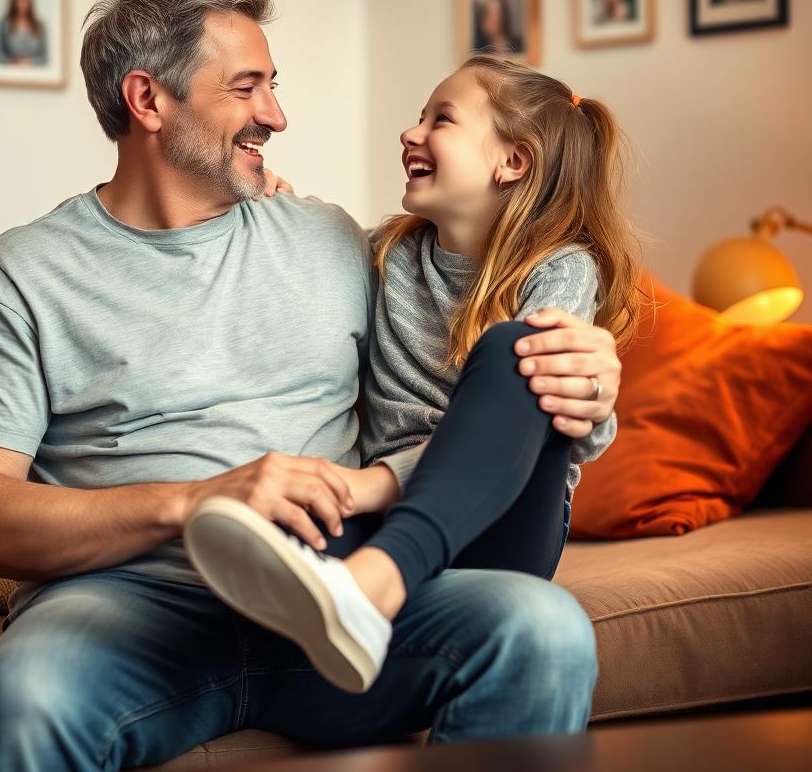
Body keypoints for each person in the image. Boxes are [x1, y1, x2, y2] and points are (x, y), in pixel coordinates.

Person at [0, 0, 622, 770]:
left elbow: (464, 353)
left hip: (334, 598)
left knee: (541, 627)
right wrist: (195, 501)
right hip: (128, 608)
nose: (277, 117)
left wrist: (583, 380)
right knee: (22, 701)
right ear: (149, 101)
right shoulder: (21, 275)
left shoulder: (331, 240)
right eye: (247, 88)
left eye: (274, 86)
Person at [185, 55, 644, 694]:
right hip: (384, 514)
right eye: (418, 117)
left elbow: (563, 415)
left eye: (442, 120)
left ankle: (374, 583)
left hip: (502, 525)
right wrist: (280, 217)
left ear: (512, 161)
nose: (411, 132)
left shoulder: (561, 269)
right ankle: (323, 598)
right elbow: (310, 260)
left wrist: (370, 486)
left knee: (521, 350)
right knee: (286, 509)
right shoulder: (389, 254)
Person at [0, 0, 48, 66]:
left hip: (36, 76)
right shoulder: (4, 24)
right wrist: (14, 62)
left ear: (30, 0)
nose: (22, 2)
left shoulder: (39, 25)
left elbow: (44, 58)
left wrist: (29, 62)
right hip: (9, 74)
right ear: (13, 0)